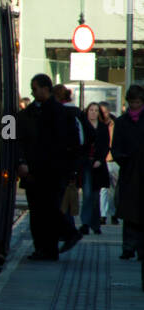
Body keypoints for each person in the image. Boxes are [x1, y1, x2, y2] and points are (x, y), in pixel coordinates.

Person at [16, 74, 81, 260]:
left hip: (51, 172)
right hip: (34, 171)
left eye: (35, 88)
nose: (32, 92)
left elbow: (72, 144)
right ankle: (44, 248)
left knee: (48, 210)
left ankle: (59, 240)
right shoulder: (24, 114)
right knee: (38, 212)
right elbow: (11, 138)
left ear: (46, 89)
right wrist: (20, 162)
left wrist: (69, 169)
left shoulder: (60, 113)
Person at [110, 84, 144, 262]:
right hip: (129, 171)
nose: (134, 106)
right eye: (132, 102)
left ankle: (140, 248)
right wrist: (122, 158)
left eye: (137, 102)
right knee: (130, 213)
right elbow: (115, 147)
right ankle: (128, 247)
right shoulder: (122, 122)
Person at [53, 85, 86, 243]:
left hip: (63, 164)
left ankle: (69, 232)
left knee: (59, 200)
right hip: (74, 163)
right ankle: (68, 231)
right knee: (63, 198)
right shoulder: (77, 113)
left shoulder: (62, 113)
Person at [80, 101, 110, 235]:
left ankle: (95, 224)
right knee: (86, 195)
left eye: (96, 110)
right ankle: (85, 223)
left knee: (95, 196)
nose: (93, 112)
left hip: (98, 165)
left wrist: (100, 159)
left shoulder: (103, 128)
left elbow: (105, 145)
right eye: (91, 110)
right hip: (86, 163)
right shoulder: (83, 126)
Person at [99, 103, 120, 224]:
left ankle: (114, 213)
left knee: (115, 189)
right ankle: (103, 215)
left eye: (104, 112)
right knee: (104, 189)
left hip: (115, 160)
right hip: (103, 160)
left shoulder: (116, 124)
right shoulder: (99, 125)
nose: (103, 115)